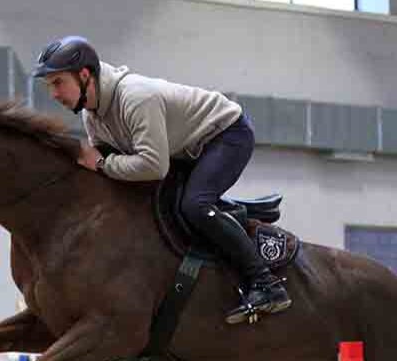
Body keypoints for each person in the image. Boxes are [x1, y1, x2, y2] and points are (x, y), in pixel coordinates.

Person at [32, 36, 291, 324]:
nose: (53, 93)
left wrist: (103, 163)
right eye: (48, 85)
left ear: (83, 76)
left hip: (227, 135)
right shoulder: (92, 116)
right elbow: (110, 170)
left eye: (57, 82)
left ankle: (267, 285)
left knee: (194, 205)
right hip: (185, 147)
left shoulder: (135, 98)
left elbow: (152, 166)